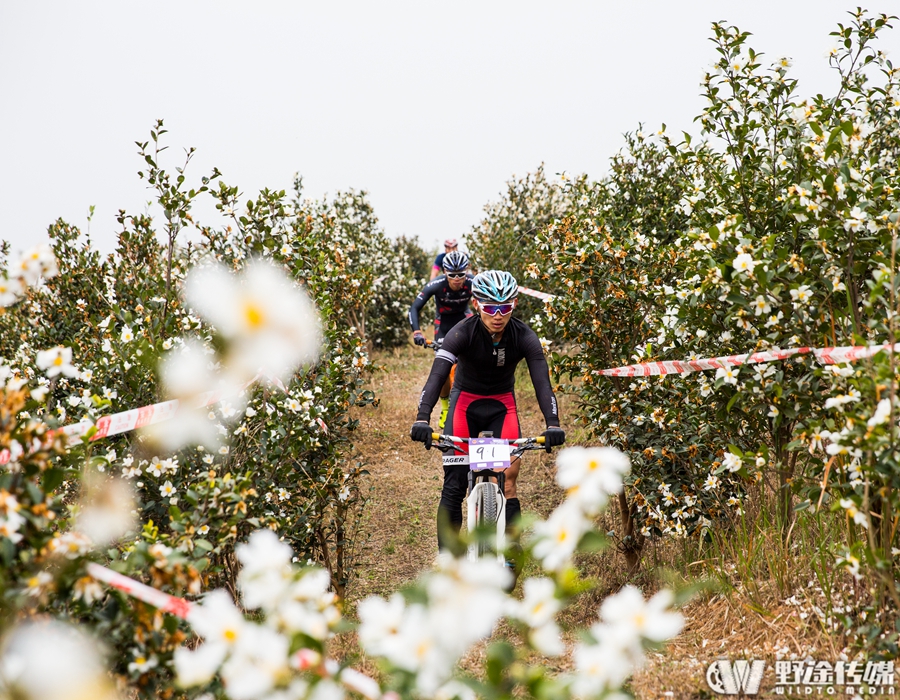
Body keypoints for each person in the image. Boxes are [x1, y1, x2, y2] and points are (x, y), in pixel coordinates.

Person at [410, 269, 565, 557]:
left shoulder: (524, 336)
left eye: (504, 307)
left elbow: (542, 382)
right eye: (491, 307)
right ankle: (448, 564)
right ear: (477, 304)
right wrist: (422, 417)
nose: (498, 314)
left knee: (508, 479)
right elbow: (437, 376)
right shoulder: (461, 333)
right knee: (454, 483)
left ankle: (511, 553)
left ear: (514, 304)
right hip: (464, 404)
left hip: (501, 405)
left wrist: (553, 423)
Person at [409, 251, 473, 428]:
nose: (457, 279)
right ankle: (445, 408)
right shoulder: (436, 285)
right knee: (443, 368)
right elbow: (414, 308)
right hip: (443, 325)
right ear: (445, 272)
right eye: (452, 275)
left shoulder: (473, 282)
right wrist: (417, 332)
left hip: (464, 320)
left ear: (467, 271)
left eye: (461, 274)